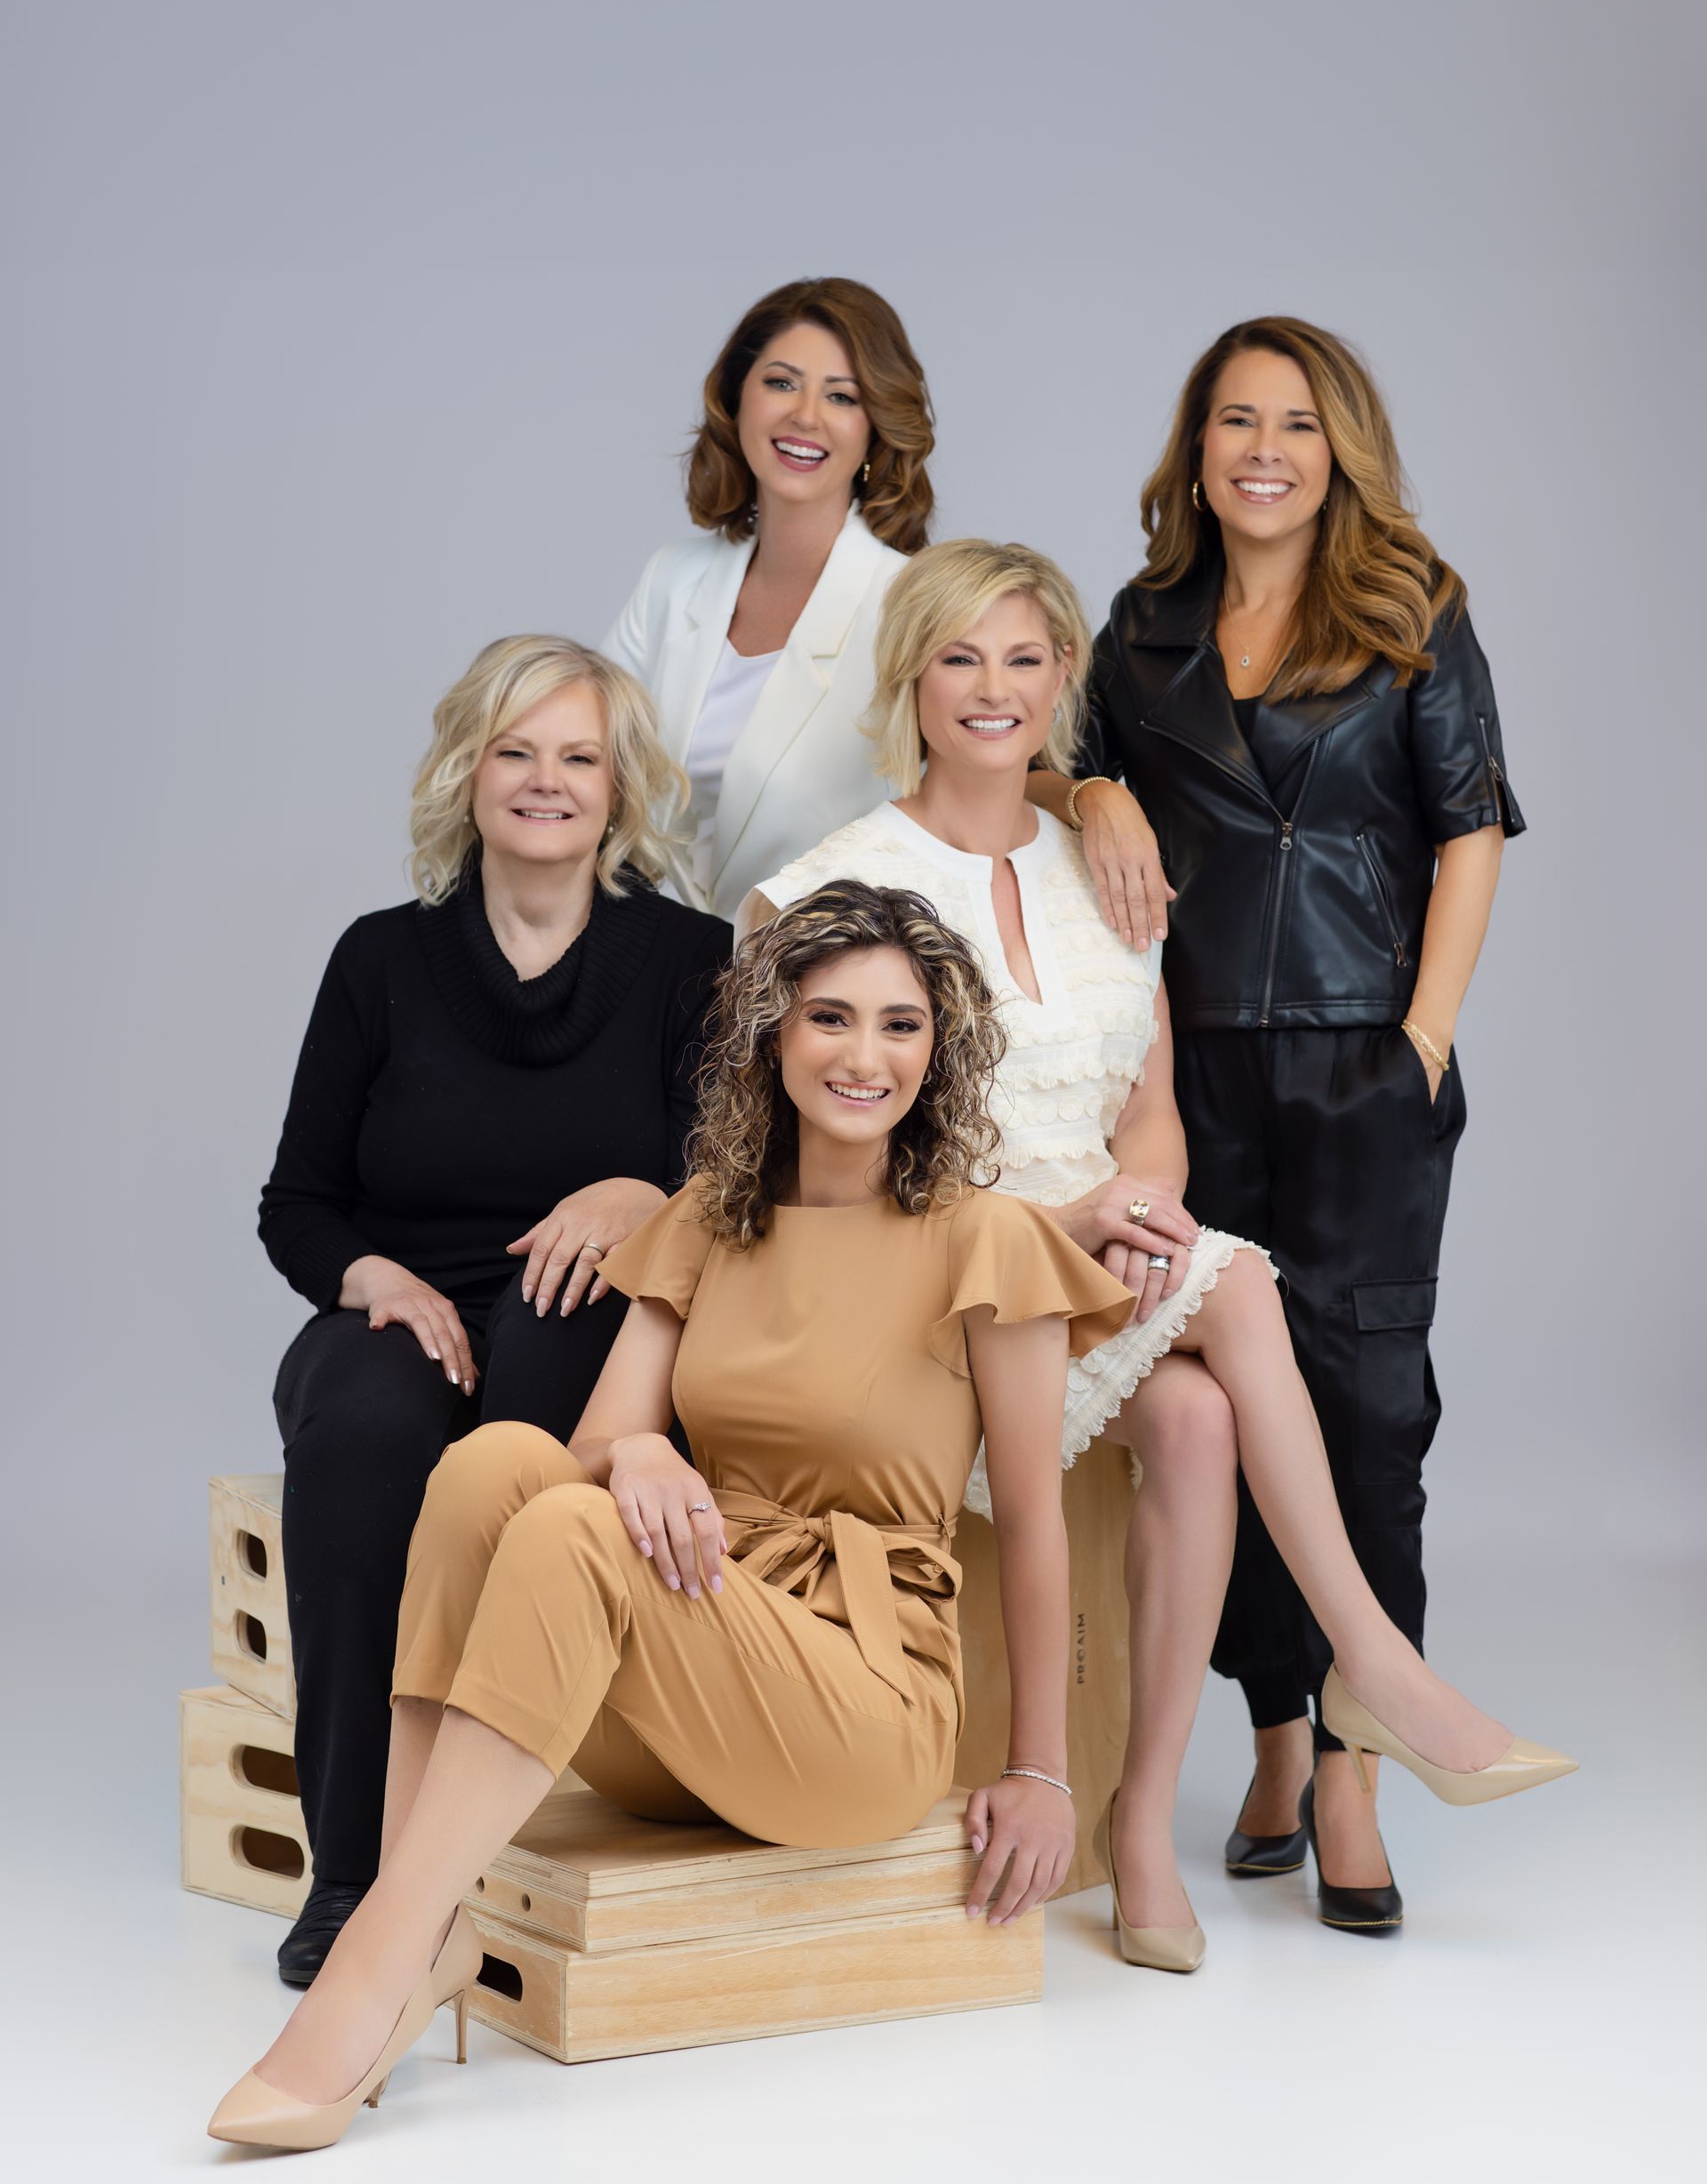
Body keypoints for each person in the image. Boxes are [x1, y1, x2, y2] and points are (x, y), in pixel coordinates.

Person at [746, 539, 1568, 1969]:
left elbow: (1154, 1115)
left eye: (1024, 658)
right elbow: (792, 1174)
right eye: (958, 657)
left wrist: (1140, 1226)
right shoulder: (827, 886)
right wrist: (1066, 1237)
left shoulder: (1109, 868)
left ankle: (1139, 1827)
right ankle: (1367, 1663)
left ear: (1068, 677)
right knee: (1244, 1283)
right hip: (922, 1303)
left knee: (1194, 1412)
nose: (993, 689)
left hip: (1099, 1291)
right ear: (910, 679)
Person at [210, 883, 1137, 2148]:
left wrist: (1040, 1770)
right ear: (772, 1032)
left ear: (941, 1047)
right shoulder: (708, 1217)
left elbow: (1032, 1521)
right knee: (496, 1468)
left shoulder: (988, 1240)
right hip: (695, 1675)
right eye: (830, 1017)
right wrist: (640, 1445)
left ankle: (376, 1961)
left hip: (856, 1704)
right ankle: (410, 1912)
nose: (865, 1056)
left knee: (570, 1515)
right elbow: (593, 1454)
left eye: (901, 1025)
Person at [1051, 318, 1524, 1928]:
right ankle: (1267, 1725)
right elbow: (1040, 773)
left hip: (1359, 1062)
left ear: (1341, 450)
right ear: (1197, 449)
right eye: (1235, 420)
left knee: (1368, 1405)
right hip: (1183, 1079)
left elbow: (1471, 830)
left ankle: (1351, 1758)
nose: (1265, 448)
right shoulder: (1139, 628)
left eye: (1298, 424)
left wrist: (1426, 1039)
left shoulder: (1411, 610)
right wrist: (1085, 791)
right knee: (1227, 1411)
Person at [258, 636, 730, 1986]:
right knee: (358, 1430)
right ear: (468, 776)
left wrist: (645, 1190)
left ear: (619, 791)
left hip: (591, 1312)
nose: (546, 780)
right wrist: (374, 1280)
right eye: (516, 751)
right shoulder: (381, 962)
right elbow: (298, 1200)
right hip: (403, 1306)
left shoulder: (688, 959)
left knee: (537, 1376)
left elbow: (738, 1184)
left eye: (578, 755)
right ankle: (353, 1868)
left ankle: (459, 1848)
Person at [602, 276, 934, 919]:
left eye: (841, 396)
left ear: (876, 429)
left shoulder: (912, 603)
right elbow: (591, 768)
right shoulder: (671, 579)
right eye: (782, 382)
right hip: (650, 967)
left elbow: (984, 800)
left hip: (826, 982)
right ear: (738, 400)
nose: (805, 415)